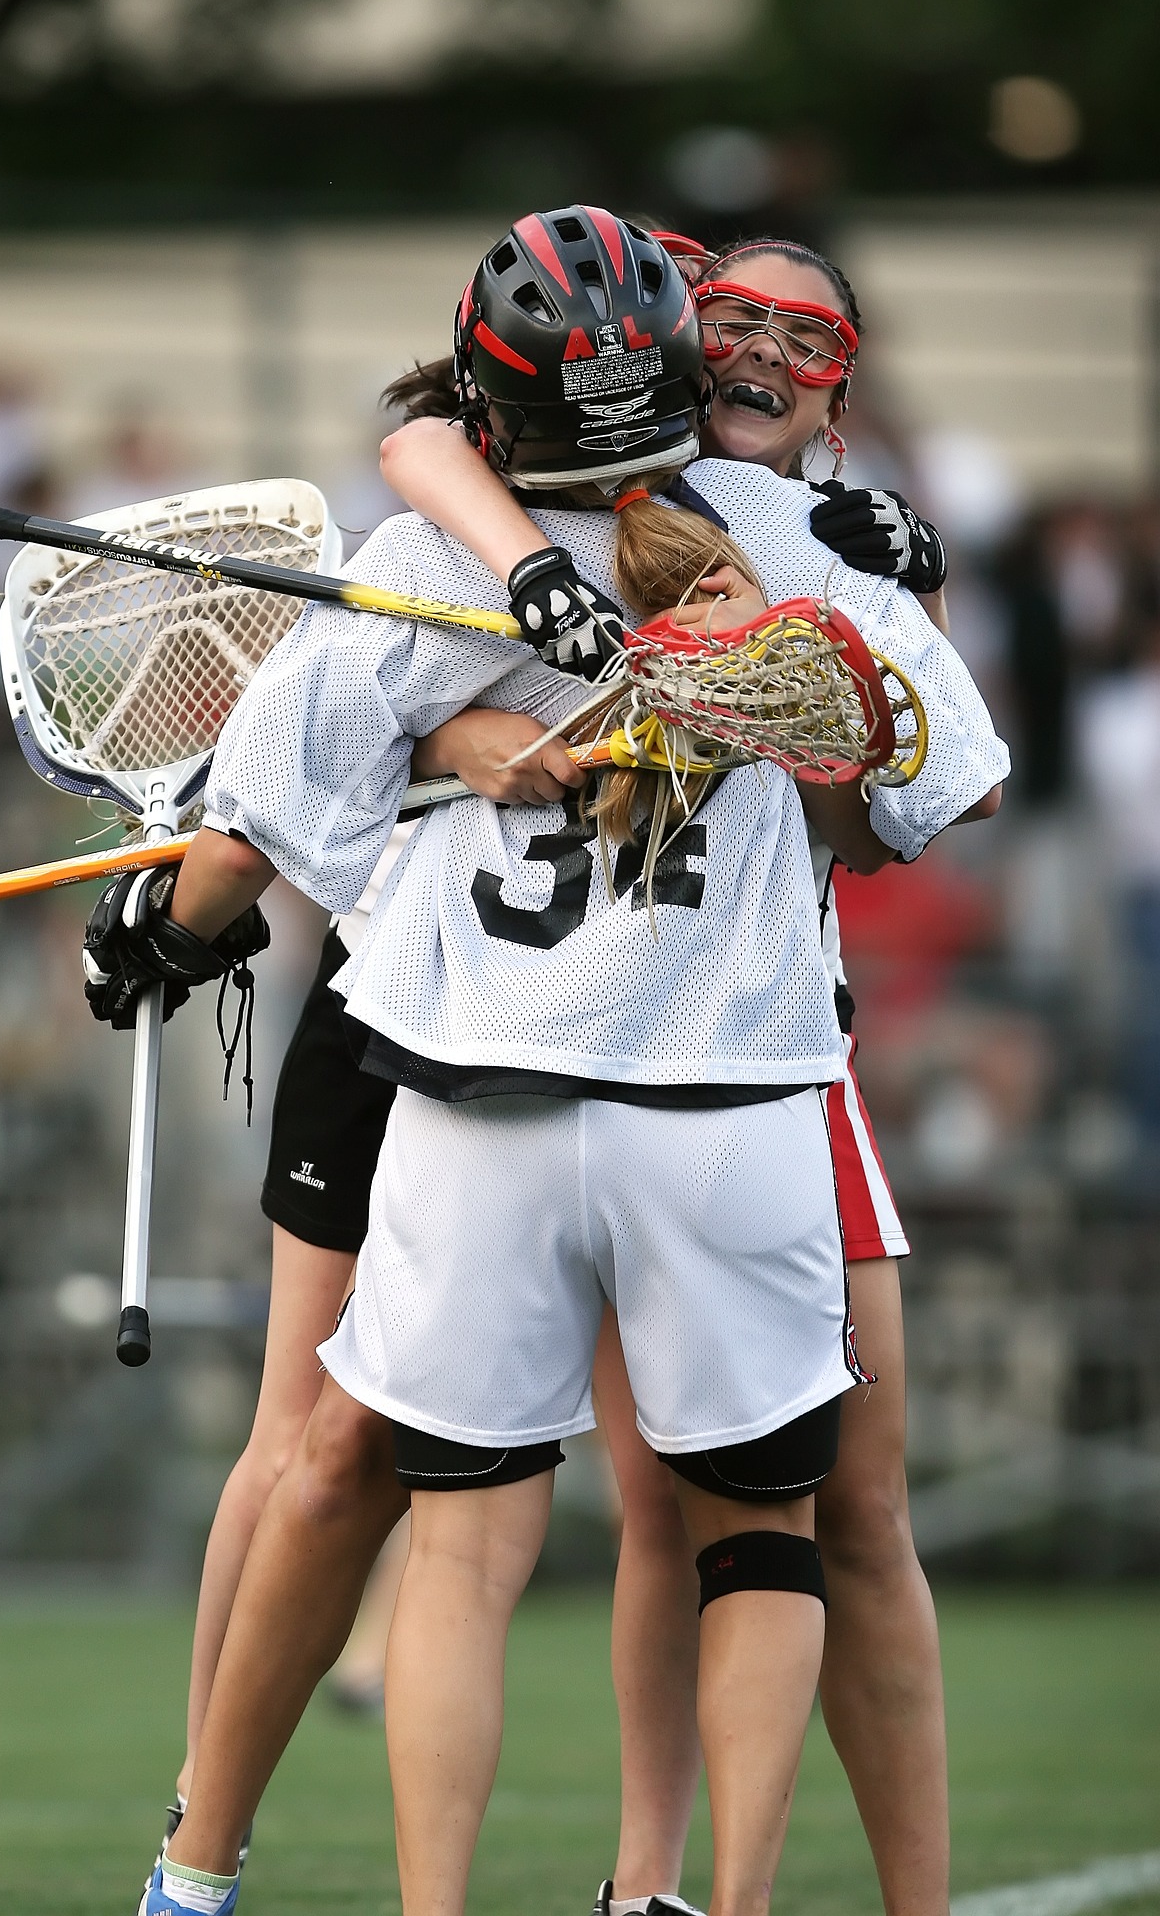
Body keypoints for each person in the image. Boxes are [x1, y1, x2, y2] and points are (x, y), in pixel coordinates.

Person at [83, 208, 1006, 1916]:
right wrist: (825, 637)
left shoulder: (416, 559)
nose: (764, 363)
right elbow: (947, 787)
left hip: (479, 1092)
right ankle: (712, 1897)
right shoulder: (795, 550)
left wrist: (163, 934)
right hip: (724, 1104)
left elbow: (248, 840)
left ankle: (302, 1884)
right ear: (670, 351)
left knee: (457, 1544)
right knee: (757, 1537)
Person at [377, 232, 972, 1916]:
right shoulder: (616, 475)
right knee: (677, 1509)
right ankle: (652, 1887)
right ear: (669, 337)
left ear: (844, 376)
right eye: (732, 319)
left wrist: (895, 605)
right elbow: (417, 439)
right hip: (609, 1053)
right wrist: (475, 715)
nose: (762, 349)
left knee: (845, 1513)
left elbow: (905, 808)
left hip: (767, 1048)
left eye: (806, 330)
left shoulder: (817, 537)